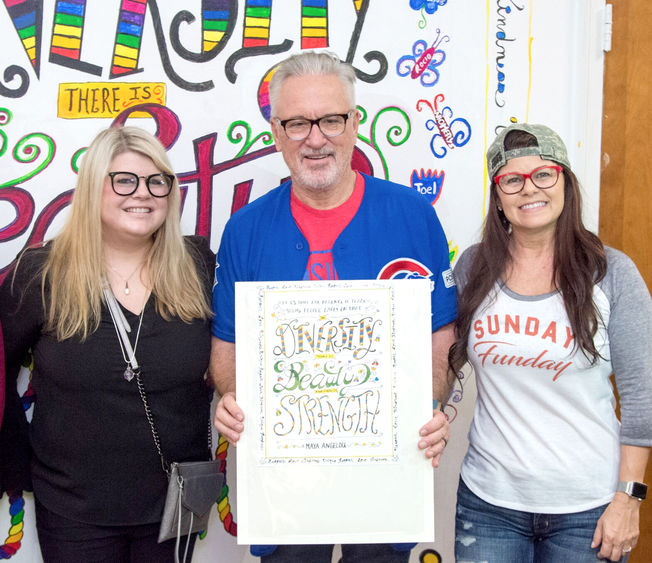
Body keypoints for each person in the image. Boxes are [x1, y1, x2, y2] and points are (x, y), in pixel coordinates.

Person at [211, 50, 457, 562]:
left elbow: (440, 337)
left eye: (330, 119)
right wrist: (232, 400)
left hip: (387, 480)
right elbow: (227, 346)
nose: (315, 138)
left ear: (355, 123)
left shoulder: (413, 216)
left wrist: (429, 408)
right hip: (285, 490)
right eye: (297, 122)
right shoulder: (245, 230)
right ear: (276, 131)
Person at [0, 126, 216, 562]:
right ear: (93, 187)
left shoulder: (199, 266)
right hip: (73, 508)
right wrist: (13, 460)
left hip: (176, 502)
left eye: (158, 181)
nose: (144, 193)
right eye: (124, 180)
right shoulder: (41, 273)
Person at [449, 123, 652, 562]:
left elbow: (642, 399)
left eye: (543, 174)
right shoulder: (473, 268)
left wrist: (628, 499)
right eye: (512, 180)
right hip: (488, 504)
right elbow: (444, 362)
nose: (529, 190)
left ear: (565, 183)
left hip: (588, 509)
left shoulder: (611, 273)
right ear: (498, 197)